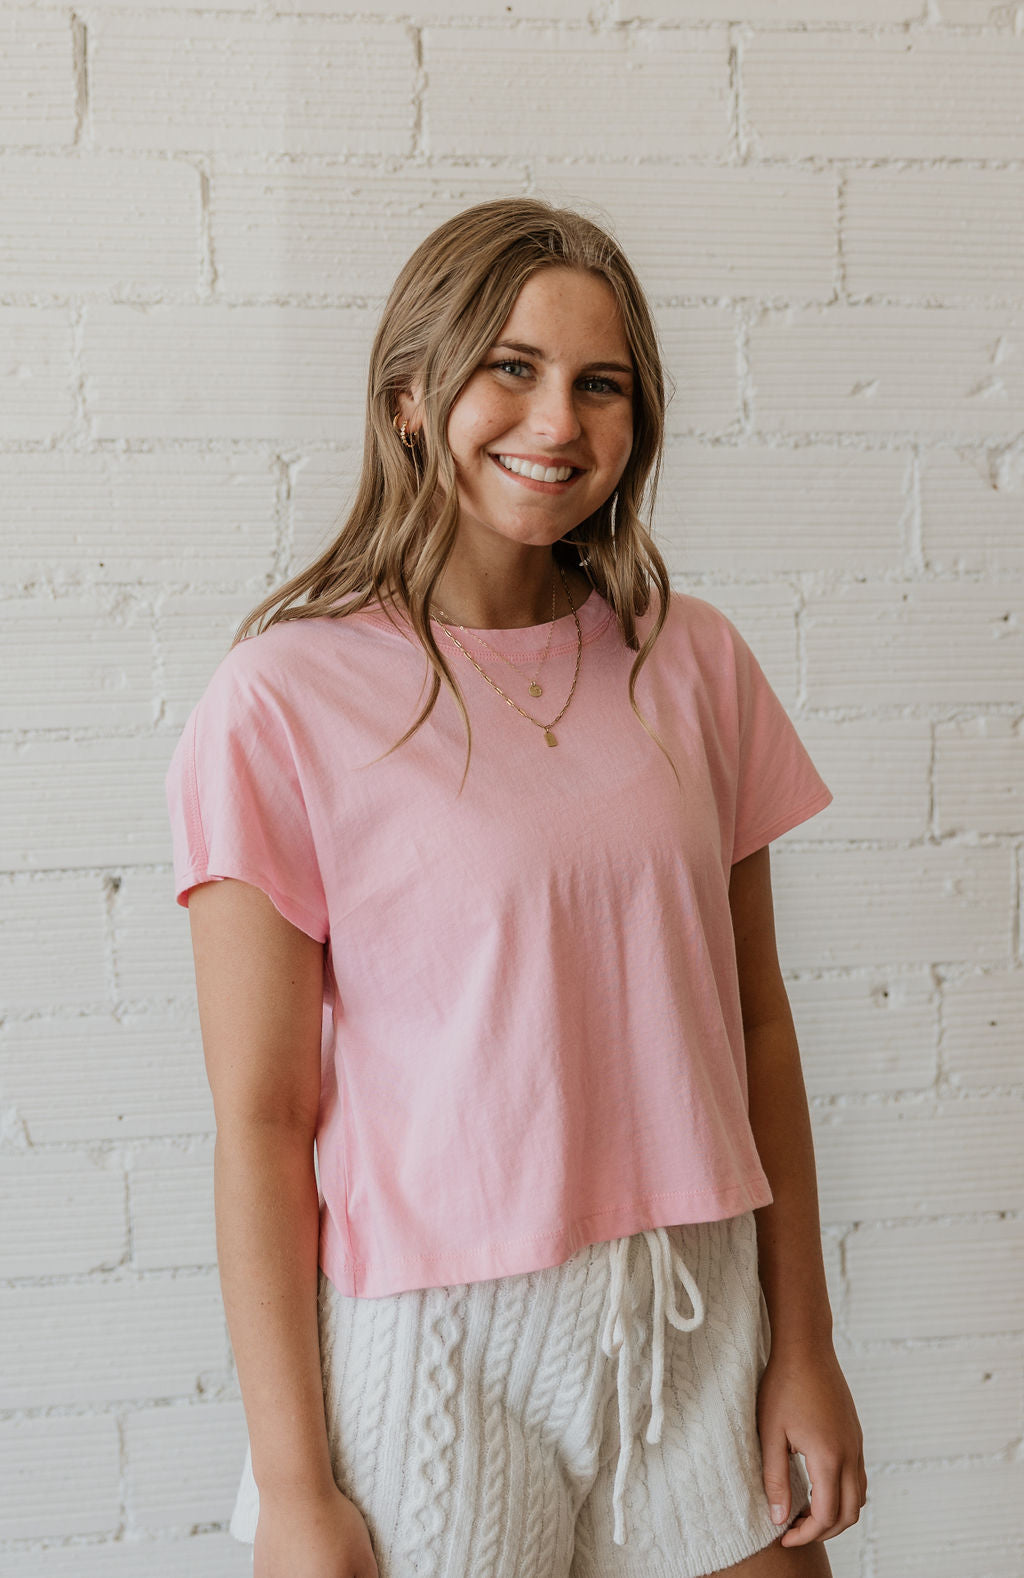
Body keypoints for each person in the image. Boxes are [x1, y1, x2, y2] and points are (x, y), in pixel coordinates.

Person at [165, 197, 866, 1578]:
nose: (558, 420)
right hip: (439, 1351)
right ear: (409, 395)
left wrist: (808, 1344)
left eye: (601, 384)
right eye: (512, 367)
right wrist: (295, 1484)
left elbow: (761, 1028)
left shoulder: (694, 664)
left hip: (695, 1315)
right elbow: (261, 1117)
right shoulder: (282, 700)